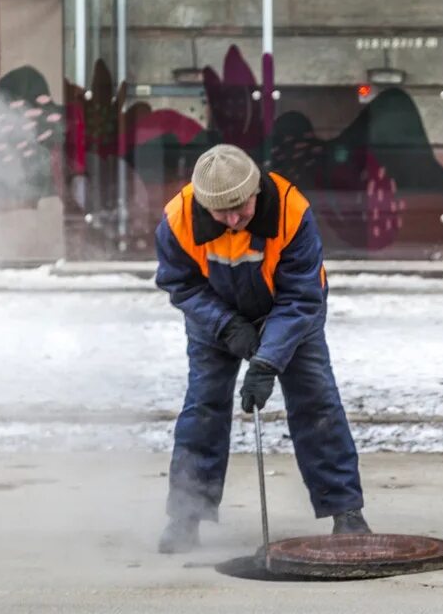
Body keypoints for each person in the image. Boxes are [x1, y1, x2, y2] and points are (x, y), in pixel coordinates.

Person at [153, 143, 369, 553]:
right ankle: (185, 516)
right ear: (202, 204)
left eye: (241, 208)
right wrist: (226, 326)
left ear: (255, 192)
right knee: (203, 408)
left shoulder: (291, 210)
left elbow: (303, 297)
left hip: (290, 314)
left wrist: (267, 360)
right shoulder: (177, 219)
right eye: (222, 212)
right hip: (214, 319)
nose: (234, 220)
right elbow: (181, 285)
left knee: (317, 404)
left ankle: (347, 512)